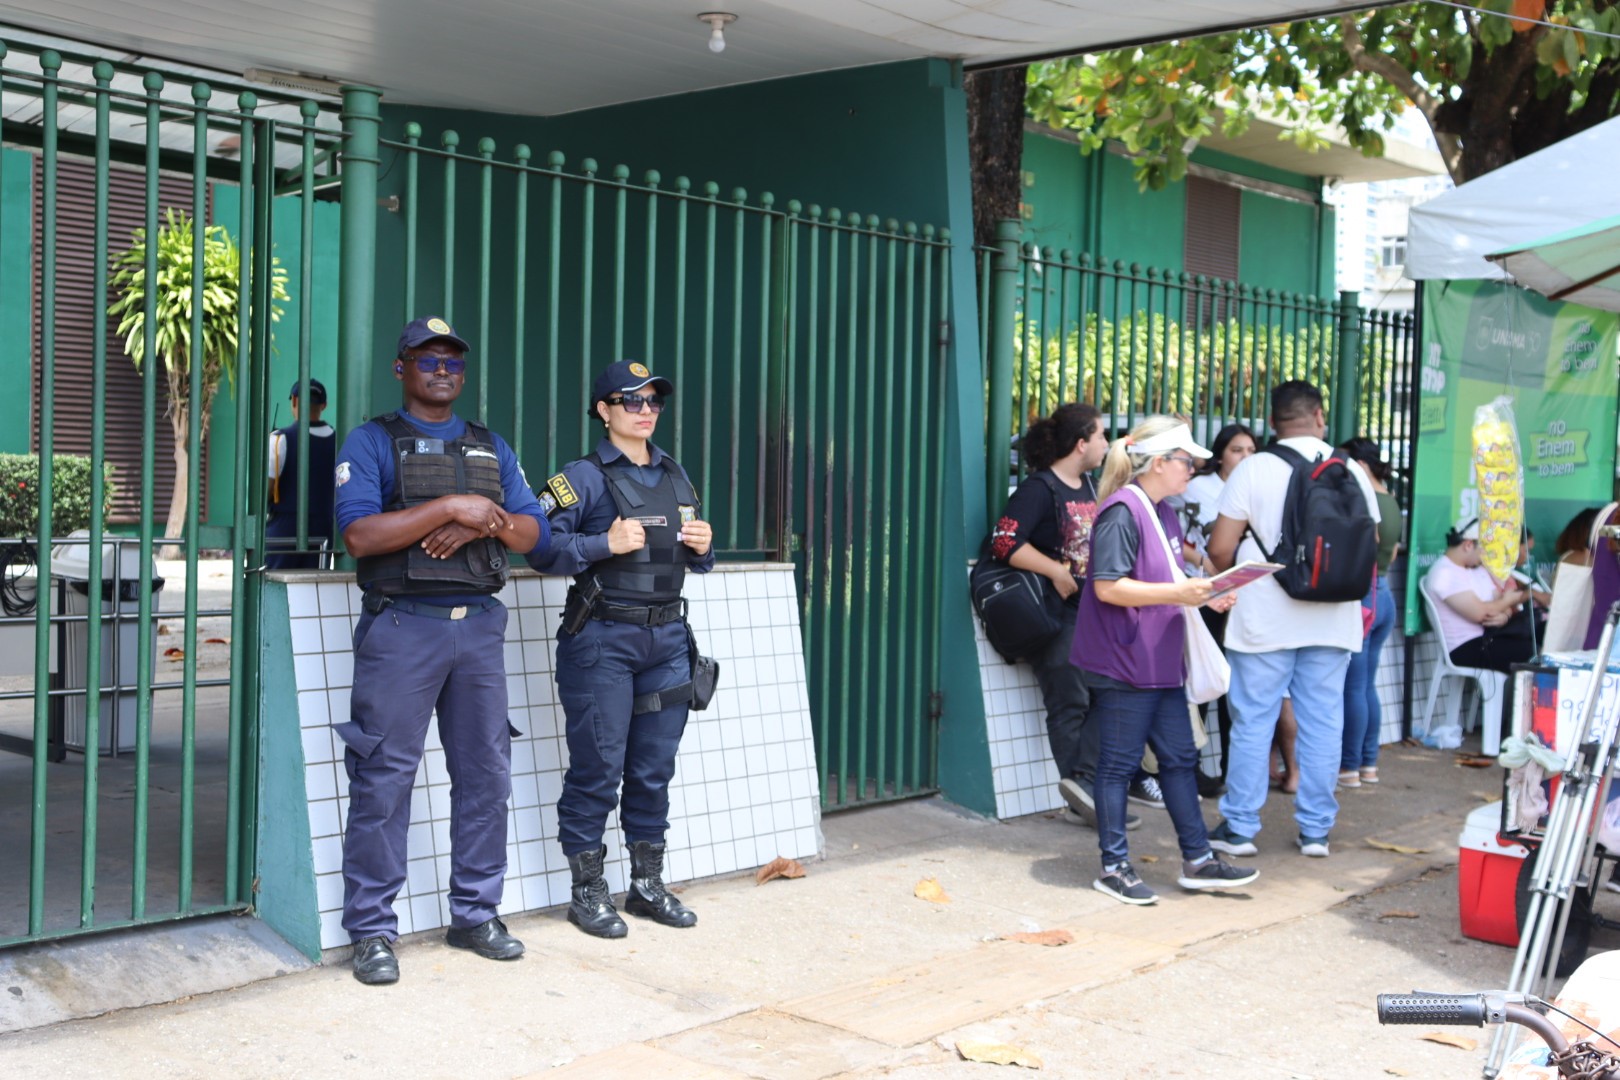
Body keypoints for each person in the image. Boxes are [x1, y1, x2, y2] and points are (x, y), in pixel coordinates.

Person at [333, 316, 548, 986]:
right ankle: (371, 930)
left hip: (479, 627)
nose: (442, 369)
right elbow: (362, 536)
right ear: (401, 367)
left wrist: (484, 518)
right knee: (384, 780)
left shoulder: (491, 446)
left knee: (486, 775)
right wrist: (450, 506)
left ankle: (475, 914)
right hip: (404, 629)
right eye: (427, 359)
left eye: (452, 359)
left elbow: (531, 535)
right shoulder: (373, 441)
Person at [529, 359, 714, 939]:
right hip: (603, 640)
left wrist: (705, 547)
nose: (645, 410)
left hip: (666, 642)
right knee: (598, 769)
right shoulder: (581, 477)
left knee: (653, 770)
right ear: (604, 410)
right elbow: (537, 546)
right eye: (631, 401)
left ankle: (646, 887)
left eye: (653, 400)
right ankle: (587, 893)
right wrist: (601, 543)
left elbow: (686, 553)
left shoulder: (675, 473)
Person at [1074, 416, 1257, 905]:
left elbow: (1168, 581)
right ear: (1159, 463)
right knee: (1117, 766)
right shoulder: (1122, 511)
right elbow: (1108, 587)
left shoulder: (1163, 512)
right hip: (1125, 660)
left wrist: (1207, 596)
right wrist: (1183, 591)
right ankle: (1114, 867)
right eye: (1186, 462)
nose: (1194, 470)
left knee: (1179, 759)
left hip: (1158, 660)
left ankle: (1197, 859)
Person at [1205, 380, 1381, 860]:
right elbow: (1372, 542)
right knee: (1323, 721)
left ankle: (1240, 828)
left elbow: (1220, 549)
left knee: (1253, 720)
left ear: (1272, 422)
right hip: (1333, 617)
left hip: (1264, 617)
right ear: (1320, 416)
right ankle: (1316, 832)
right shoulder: (1351, 471)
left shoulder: (1253, 469)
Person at [988, 404, 1148, 830]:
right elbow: (1003, 542)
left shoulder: (1091, 486)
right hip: (1055, 617)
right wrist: (1055, 570)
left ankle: (1087, 787)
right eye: (1100, 436)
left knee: (1108, 694)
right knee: (1070, 702)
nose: (1105, 444)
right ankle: (1086, 796)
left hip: (1091, 615)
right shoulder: (1039, 489)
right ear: (1081, 444)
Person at [1180, 423, 1256, 796]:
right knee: (1204, 678)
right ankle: (1191, 769)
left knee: (1235, 688)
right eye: (1237, 450)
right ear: (1220, 453)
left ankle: (1232, 771)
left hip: (1247, 595)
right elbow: (1176, 537)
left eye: (1251, 450)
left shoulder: (1258, 486)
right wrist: (1205, 564)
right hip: (1204, 593)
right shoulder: (1197, 487)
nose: (1245, 457)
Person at [1337, 438, 1401, 789]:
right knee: (1366, 686)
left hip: (1362, 598)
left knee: (1353, 687)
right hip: (1384, 595)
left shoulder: (1363, 499)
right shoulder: (1390, 500)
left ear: (1360, 464)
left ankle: (1348, 768)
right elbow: (1389, 556)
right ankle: (1368, 765)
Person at [1425, 517, 1534, 673]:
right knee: (1532, 653)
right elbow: (1482, 613)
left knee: (1538, 638)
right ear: (1468, 545)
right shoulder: (1444, 573)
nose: (1485, 556)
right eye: (1483, 550)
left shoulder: (1476, 570)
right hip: (1465, 647)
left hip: (1489, 637)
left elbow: (1498, 602)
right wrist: (1510, 600)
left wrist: (1506, 615)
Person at [265, 379, 335, 570]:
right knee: (315, 591)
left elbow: (267, 490)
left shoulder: (280, 439)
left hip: (283, 530)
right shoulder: (339, 441)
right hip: (323, 530)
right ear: (324, 405)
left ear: (294, 401)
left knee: (275, 589)